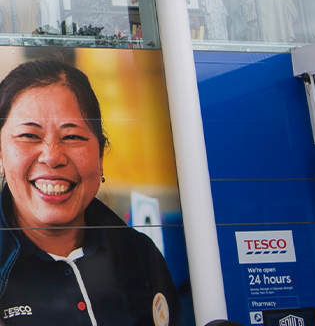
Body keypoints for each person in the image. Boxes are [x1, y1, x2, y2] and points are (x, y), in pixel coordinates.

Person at [0, 57, 181, 325]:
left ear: (100, 156)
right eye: (29, 136)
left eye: (72, 136)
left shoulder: (140, 257)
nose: (52, 156)